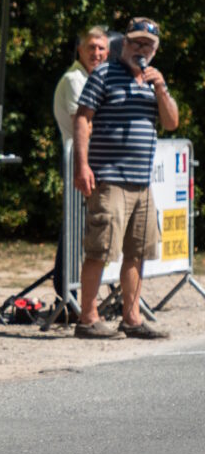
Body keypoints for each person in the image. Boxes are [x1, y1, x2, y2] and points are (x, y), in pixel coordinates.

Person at [73, 17, 178, 339]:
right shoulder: (105, 74)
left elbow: (171, 123)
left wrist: (160, 89)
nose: (140, 49)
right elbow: (82, 119)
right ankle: (88, 318)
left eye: (147, 45)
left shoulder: (154, 82)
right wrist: (82, 166)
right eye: (135, 43)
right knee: (100, 249)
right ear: (124, 45)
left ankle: (131, 317)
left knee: (137, 252)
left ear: (155, 49)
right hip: (110, 178)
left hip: (142, 183)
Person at [50, 26, 109, 299]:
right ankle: (68, 293)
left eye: (101, 48)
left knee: (86, 228)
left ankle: (78, 294)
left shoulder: (97, 78)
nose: (96, 53)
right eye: (91, 47)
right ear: (80, 49)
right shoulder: (76, 80)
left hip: (93, 162)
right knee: (75, 229)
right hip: (79, 162)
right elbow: (83, 127)